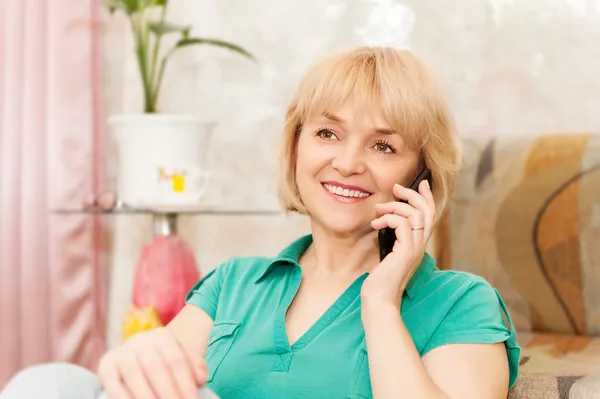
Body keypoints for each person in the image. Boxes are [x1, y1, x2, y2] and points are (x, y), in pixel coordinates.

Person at [1, 46, 520, 399]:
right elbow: (156, 379)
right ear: (297, 145)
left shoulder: (460, 303)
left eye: (383, 145)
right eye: (327, 133)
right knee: (51, 382)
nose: (347, 162)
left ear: (421, 174)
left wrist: (381, 303)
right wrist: (138, 355)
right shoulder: (234, 283)